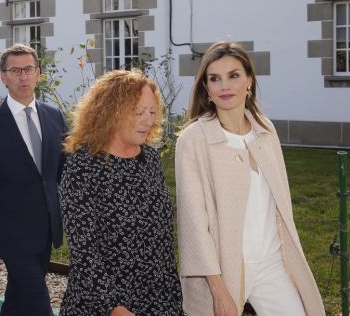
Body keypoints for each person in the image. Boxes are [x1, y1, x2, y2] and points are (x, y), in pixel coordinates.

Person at [176, 41, 324, 316]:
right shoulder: (193, 140)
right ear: (206, 88)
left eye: (233, 75)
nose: (224, 86)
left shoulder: (266, 130)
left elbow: (282, 208)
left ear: (249, 81)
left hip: (272, 264)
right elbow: (194, 225)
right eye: (215, 79)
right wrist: (218, 291)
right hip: (223, 270)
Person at [59, 70, 182, 315]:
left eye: (152, 112)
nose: (149, 120)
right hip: (101, 305)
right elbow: (85, 251)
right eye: (139, 112)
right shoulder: (83, 166)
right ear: (111, 112)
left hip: (158, 301)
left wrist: (172, 298)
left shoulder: (150, 159)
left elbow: (161, 238)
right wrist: (115, 307)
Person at [0, 44, 67, 315]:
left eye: (28, 69)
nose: (23, 76)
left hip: (45, 230)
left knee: (17, 302)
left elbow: (64, 172)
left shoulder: (54, 116)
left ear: (38, 73)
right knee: (38, 304)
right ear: (4, 77)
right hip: (10, 235)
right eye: (15, 70)